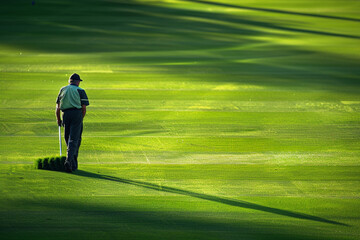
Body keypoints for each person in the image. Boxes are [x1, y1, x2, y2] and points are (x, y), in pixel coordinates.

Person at [56, 73, 89, 173]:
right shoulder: (80, 90)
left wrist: (58, 119)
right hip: (76, 114)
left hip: (65, 114)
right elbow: (84, 108)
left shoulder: (63, 89)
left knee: (68, 138)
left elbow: (57, 108)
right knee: (74, 139)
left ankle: (73, 164)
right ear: (77, 82)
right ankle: (69, 161)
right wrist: (80, 118)